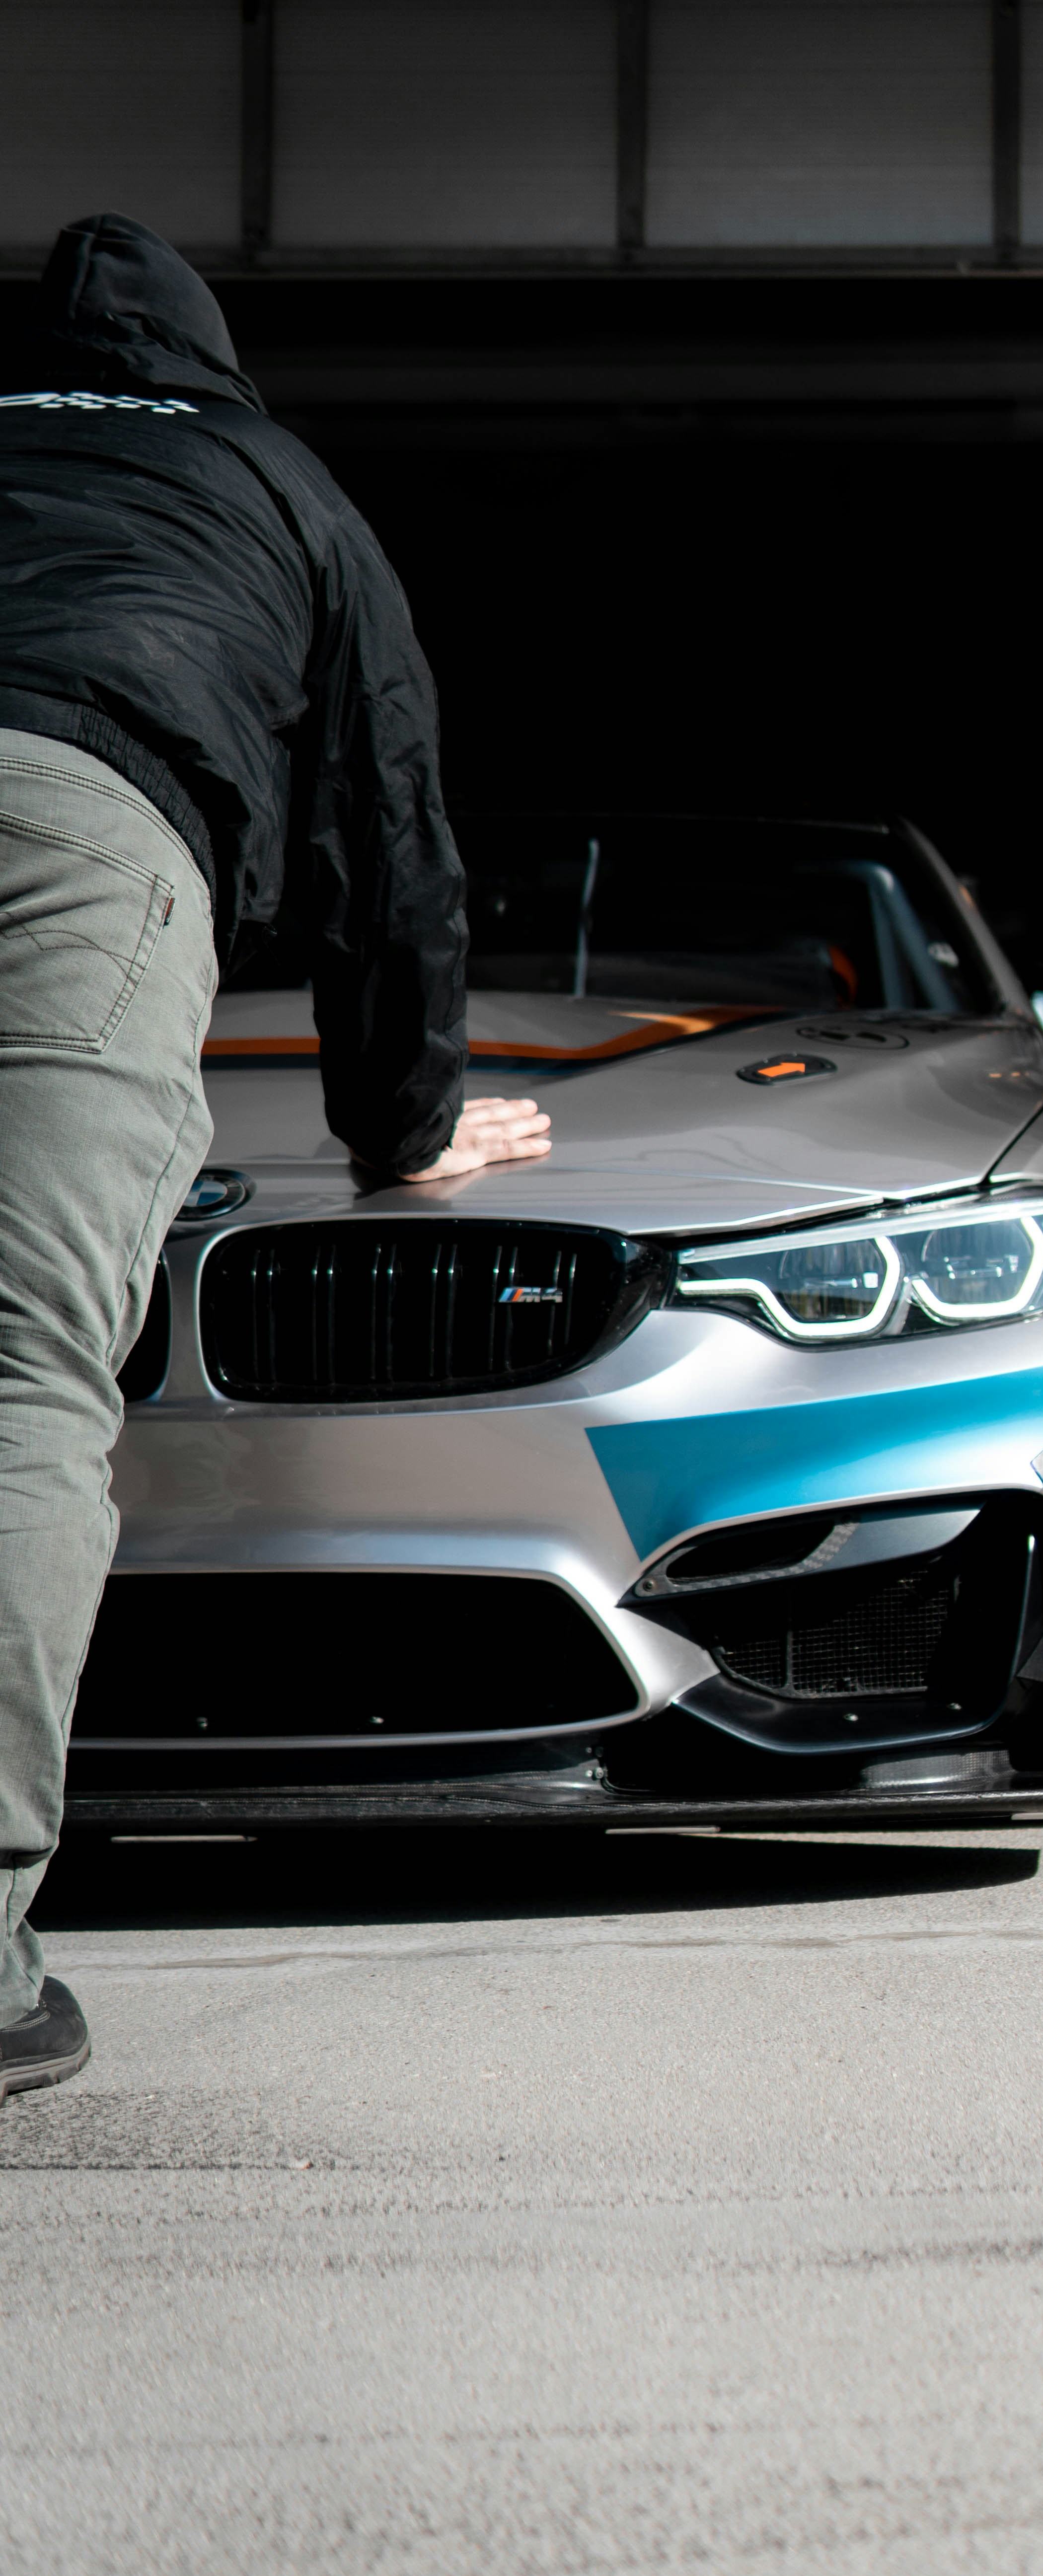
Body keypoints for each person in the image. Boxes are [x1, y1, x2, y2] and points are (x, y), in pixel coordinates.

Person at [0, 215, 551, 2096]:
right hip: (78, 840)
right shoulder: (274, 484)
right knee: (15, 1380)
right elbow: (390, 842)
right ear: (211, 366)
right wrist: (400, 1125)